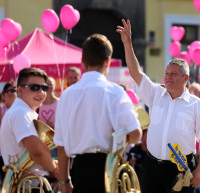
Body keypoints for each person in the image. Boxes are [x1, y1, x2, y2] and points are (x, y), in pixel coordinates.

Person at [117, 19, 200, 193]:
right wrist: (127, 43)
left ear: (185, 78)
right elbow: (135, 72)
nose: (168, 77)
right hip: (152, 166)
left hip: (181, 168)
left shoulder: (196, 104)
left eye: (174, 74)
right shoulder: (155, 93)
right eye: (166, 74)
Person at [54, 34, 142, 193]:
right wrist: (120, 139)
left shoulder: (66, 95)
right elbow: (135, 135)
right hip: (109, 168)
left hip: (79, 168)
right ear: (108, 61)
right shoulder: (115, 92)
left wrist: (65, 180)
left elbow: (61, 146)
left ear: (82, 62)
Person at [0, 68, 59, 189]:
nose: (41, 93)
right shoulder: (21, 112)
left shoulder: (21, 111)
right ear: (20, 90)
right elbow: (37, 152)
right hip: (31, 185)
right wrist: (54, 169)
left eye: (44, 88)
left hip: (28, 183)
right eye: (34, 87)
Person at [0, 82, 17, 184]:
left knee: (12, 182)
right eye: (8, 90)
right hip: (2, 151)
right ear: (4, 94)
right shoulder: (1, 109)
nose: (10, 93)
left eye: (13, 90)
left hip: (15, 152)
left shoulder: (20, 110)